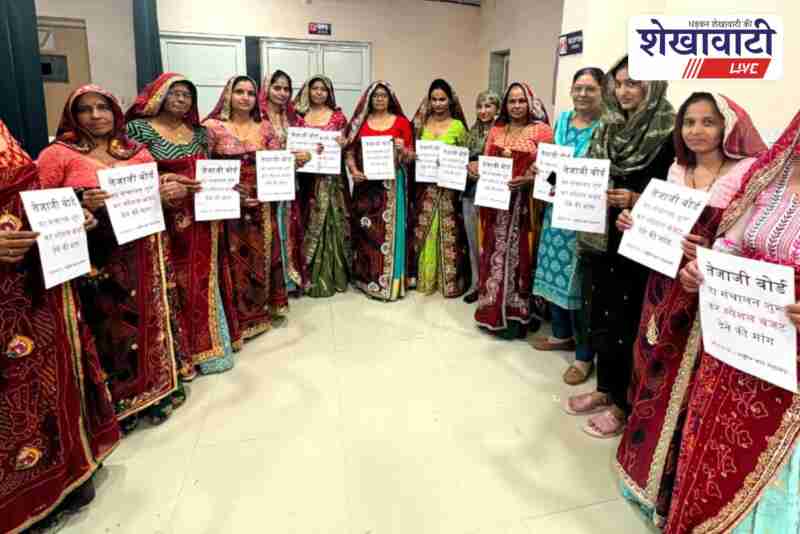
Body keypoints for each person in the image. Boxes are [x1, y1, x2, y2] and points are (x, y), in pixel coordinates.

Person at [614, 93, 766, 526]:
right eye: (688, 122)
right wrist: (633, 220)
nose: (696, 131)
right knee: (650, 363)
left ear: (729, 127)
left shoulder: (744, 175)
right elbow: (655, 221)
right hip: (661, 284)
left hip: (706, 293)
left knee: (690, 381)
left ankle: (671, 483)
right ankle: (641, 464)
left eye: (708, 122)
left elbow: (746, 239)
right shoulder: (677, 169)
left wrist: (712, 247)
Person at [666, 109, 800, 534]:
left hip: (790, 369)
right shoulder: (772, 175)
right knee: (717, 448)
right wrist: (703, 268)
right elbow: (733, 240)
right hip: (736, 344)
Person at [38, 84, 183, 430]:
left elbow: (152, 192)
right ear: (73, 115)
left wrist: (168, 191)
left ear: (114, 111)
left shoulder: (134, 151)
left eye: (102, 107)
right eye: (85, 109)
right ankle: (111, 406)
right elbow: (38, 204)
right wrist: (79, 201)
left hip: (140, 251)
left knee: (144, 321)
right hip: (93, 260)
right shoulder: (57, 155)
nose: (95, 115)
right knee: (106, 328)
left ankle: (152, 389)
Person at [0, 120, 120, 533]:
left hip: (34, 278)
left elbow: (31, 193)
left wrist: (73, 208)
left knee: (43, 382)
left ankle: (60, 475)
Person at [564, 56, 675, 438]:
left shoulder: (668, 132)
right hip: (602, 236)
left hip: (642, 242)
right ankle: (605, 389)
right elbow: (585, 173)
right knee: (602, 313)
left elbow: (677, 194)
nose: (625, 92)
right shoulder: (608, 127)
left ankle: (624, 405)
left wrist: (634, 198)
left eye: (634, 84)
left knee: (630, 322)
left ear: (653, 86)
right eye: (620, 83)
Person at [126, 72, 240, 376]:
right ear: (158, 95)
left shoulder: (200, 132)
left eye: (187, 95)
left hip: (204, 217)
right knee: (172, 280)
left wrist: (229, 187)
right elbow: (126, 174)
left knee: (204, 277)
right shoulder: (139, 130)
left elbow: (209, 170)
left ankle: (211, 348)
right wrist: (164, 183)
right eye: (174, 93)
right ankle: (180, 356)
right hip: (162, 218)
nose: (181, 99)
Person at [531, 67, 604, 385]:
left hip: (584, 215)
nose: (583, 94)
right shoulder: (561, 121)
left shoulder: (605, 128)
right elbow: (553, 160)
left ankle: (584, 357)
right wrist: (540, 166)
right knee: (552, 272)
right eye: (578, 88)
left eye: (590, 88)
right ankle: (561, 335)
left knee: (580, 283)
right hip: (554, 209)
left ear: (603, 91)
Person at [203, 75, 289, 339]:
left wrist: (299, 159)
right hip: (226, 206)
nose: (245, 97)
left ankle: (261, 312)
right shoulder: (211, 127)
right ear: (227, 95)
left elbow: (279, 163)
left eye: (250, 93)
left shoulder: (265, 128)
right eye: (239, 92)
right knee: (231, 258)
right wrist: (230, 194)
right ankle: (236, 318)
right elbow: (202, 168)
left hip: (262, 203)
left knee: (263, 253)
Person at [474, 81, 553, 339]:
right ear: (505, 105)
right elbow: (486, 163)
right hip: (496, 207)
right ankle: (490, 310)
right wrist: (475, 168)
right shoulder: (496, 130)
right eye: (512, 101)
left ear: (529, 103)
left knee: (523, 258)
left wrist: (530, 180)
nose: (517, 106)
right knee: (493, 255)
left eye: (521, 101)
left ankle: (520, 315)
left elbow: (552, 171)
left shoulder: (542, 131)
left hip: (526, 208)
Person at [343, 81, 414, 301]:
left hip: (391, 187)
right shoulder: (360, 123)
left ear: (390, 98)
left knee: (389, 232)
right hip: (365, 186)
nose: (380, 99)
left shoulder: (401, 122)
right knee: (366, 232)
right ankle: (367, 279)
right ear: (369, 99)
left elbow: (411, 156)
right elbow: (349, 150)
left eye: (384, 95)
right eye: (375, 96)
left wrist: (403, 151)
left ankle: (389, 284)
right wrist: (353, 170)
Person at [410, 78, 470, 297]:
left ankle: (449, 282)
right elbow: (411, 152)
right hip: (425, 188)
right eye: (434, 99)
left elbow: (466, 156)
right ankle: (425, 279)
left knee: (448, 231)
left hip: (448, 191)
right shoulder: (420, 124)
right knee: (425, 230)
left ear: (450, 100)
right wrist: (412, 156)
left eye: (442, 99)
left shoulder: (458, 126)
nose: (437, 104)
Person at [293, 75, 352, 298]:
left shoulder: (338, 118)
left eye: (323, 89)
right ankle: (309, 275)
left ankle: (336, 274)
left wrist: (344, 144)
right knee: (309, 221)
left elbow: (346, 148)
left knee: (334, 222)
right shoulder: (299, 117)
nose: (318, 93)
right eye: (314, 88)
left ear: (329, 93)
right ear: (307, 91)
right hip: (308, 181)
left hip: (332, 180)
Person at [258, 70, 312, 295]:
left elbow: (310, 145)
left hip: (290, 183)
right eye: (276, 87)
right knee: (267, 230)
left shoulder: (294, 119)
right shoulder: (256, 117)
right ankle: (271, 284)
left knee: (288, 227)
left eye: (286, 89)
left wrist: (307, 155)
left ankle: (290, 280)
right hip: (265, 183)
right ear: (267, 88)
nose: (282, 93)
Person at [463, 90, 500, 304]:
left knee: (490, 241)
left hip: (492, 194)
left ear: (497, 108)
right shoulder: (472, 131)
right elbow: (462, 159)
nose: (483, 111)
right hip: (469, 192)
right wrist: (466, 166)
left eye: (488, 106)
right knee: (472, 241)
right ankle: (476, 283)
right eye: (480, 106)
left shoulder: (502, 131)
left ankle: (491, 285)